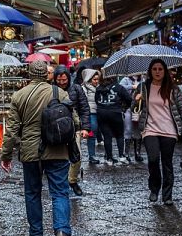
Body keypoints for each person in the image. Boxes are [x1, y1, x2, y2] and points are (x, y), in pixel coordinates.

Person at [1, 61, 74, 236]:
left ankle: (35, 234)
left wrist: (6, 154)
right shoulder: (60, 93)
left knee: (32, 192)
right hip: (57, 149)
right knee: (59, 192)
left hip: (30, 150)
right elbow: (73, 121)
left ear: (29, 74)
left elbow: (12, 129)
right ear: (47, 75)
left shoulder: (19, 95)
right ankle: (61, 230)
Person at [134, 60, 182, 205]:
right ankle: (154, 188)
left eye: (160, 69)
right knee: (153, 159)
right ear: (150, 71)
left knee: (167, 163)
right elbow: (134, 109)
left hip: (169, 130)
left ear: (164, 71)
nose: (157, 71)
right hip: (150, 129)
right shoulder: (143, 87)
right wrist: (137, 100)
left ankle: (167, 195)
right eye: (154, 69)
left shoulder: (173, 88)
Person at [54, 65, 91, 196]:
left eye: (64, 80)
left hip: (75, 128)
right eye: (59, 80)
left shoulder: (77, 88)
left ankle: (72, 180)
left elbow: (85, 108)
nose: (62, 82)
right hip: (57, 129)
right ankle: (61, 181)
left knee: (77, 156)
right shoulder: (51, 90)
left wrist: (85, 128)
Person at [95, 75, 133, 164]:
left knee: (107, 136)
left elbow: (96, 100)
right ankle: (121, 156)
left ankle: (109, 158)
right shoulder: (119, 87)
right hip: (115, 112)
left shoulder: (99, 88)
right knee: (119, 135)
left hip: (101, 113)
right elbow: (129, 99)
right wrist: (123, 107)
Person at [120, 75, 144, 162]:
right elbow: (120, 88)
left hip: (139, 109)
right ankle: (126, 153)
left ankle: (137, 153)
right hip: (128, 107)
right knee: (128, 129)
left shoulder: (143, 79)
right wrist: (132, 86)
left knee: (138, 130)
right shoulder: (126, 79)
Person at [81, 69, 102, 164]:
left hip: (100, 113)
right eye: (94, 79)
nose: (97, 81)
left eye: (98, 79)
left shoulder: (100, 88)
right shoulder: (84, 88)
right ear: (89, 79)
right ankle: (91, 156)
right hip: (90, 114)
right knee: (91, 135)